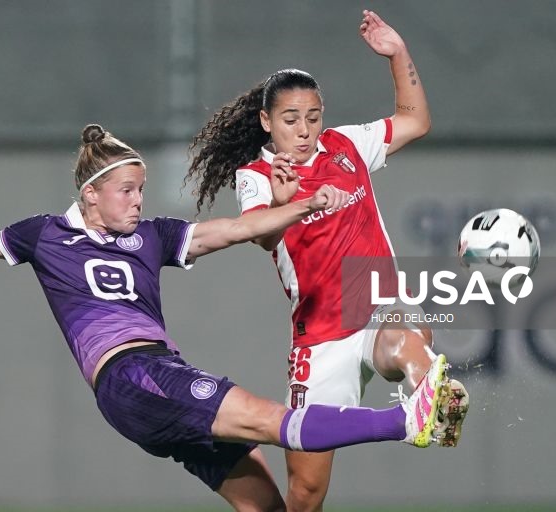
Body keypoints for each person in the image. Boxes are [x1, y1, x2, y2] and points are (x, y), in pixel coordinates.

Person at [0, 123, 456, 511]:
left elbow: (233, 229)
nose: (137, 199)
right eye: (126, 189)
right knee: (273, 420)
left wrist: (303, 205)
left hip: (155, 386)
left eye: (140, 187)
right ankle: (406, 421)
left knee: (265, 504)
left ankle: (407, 420)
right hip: (133, 378)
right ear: (90, 194)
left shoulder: (152, 235)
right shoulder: (44, 235)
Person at [185, 10, 470, 511]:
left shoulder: (347, 145)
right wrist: (288, 203)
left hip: (372, 297)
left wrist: (397, 53)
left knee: (404, 326)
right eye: (291, 120)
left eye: (313, 118)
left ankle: (429, 393)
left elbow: (416, 120)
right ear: (266, 122)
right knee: (307, 492)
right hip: (319, 333)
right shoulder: (257, 174)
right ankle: (424, 393)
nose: (304, 130)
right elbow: (261, 238)